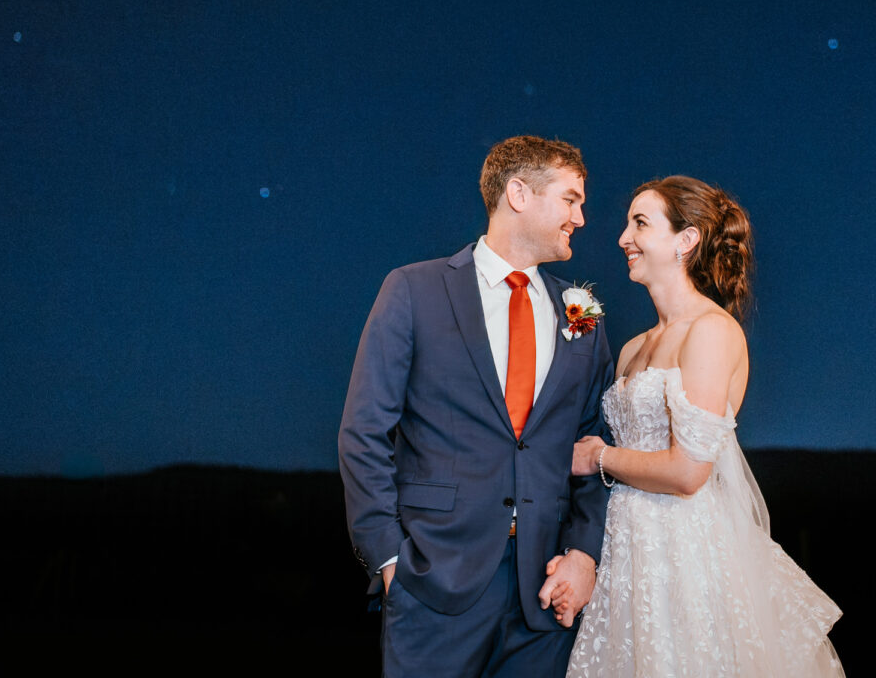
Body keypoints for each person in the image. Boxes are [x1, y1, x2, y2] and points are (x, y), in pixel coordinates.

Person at [338, 135, 617, 677]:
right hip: (433, 581)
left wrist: (584, 554)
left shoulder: (582, 311)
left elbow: (595, 443)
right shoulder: (413, 290)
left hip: (546, 592)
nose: (581, 217)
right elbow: (363, 432)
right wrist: (390, 559)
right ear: (518, 193)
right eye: (570, 199)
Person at [561, 176, 845, 677]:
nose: (624, 238)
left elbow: (689, 472)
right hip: (627, 556)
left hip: (685, 557)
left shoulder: (712, 331)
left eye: (641, 224)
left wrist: (595, 457)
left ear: (685, 240)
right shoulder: (631, 348)